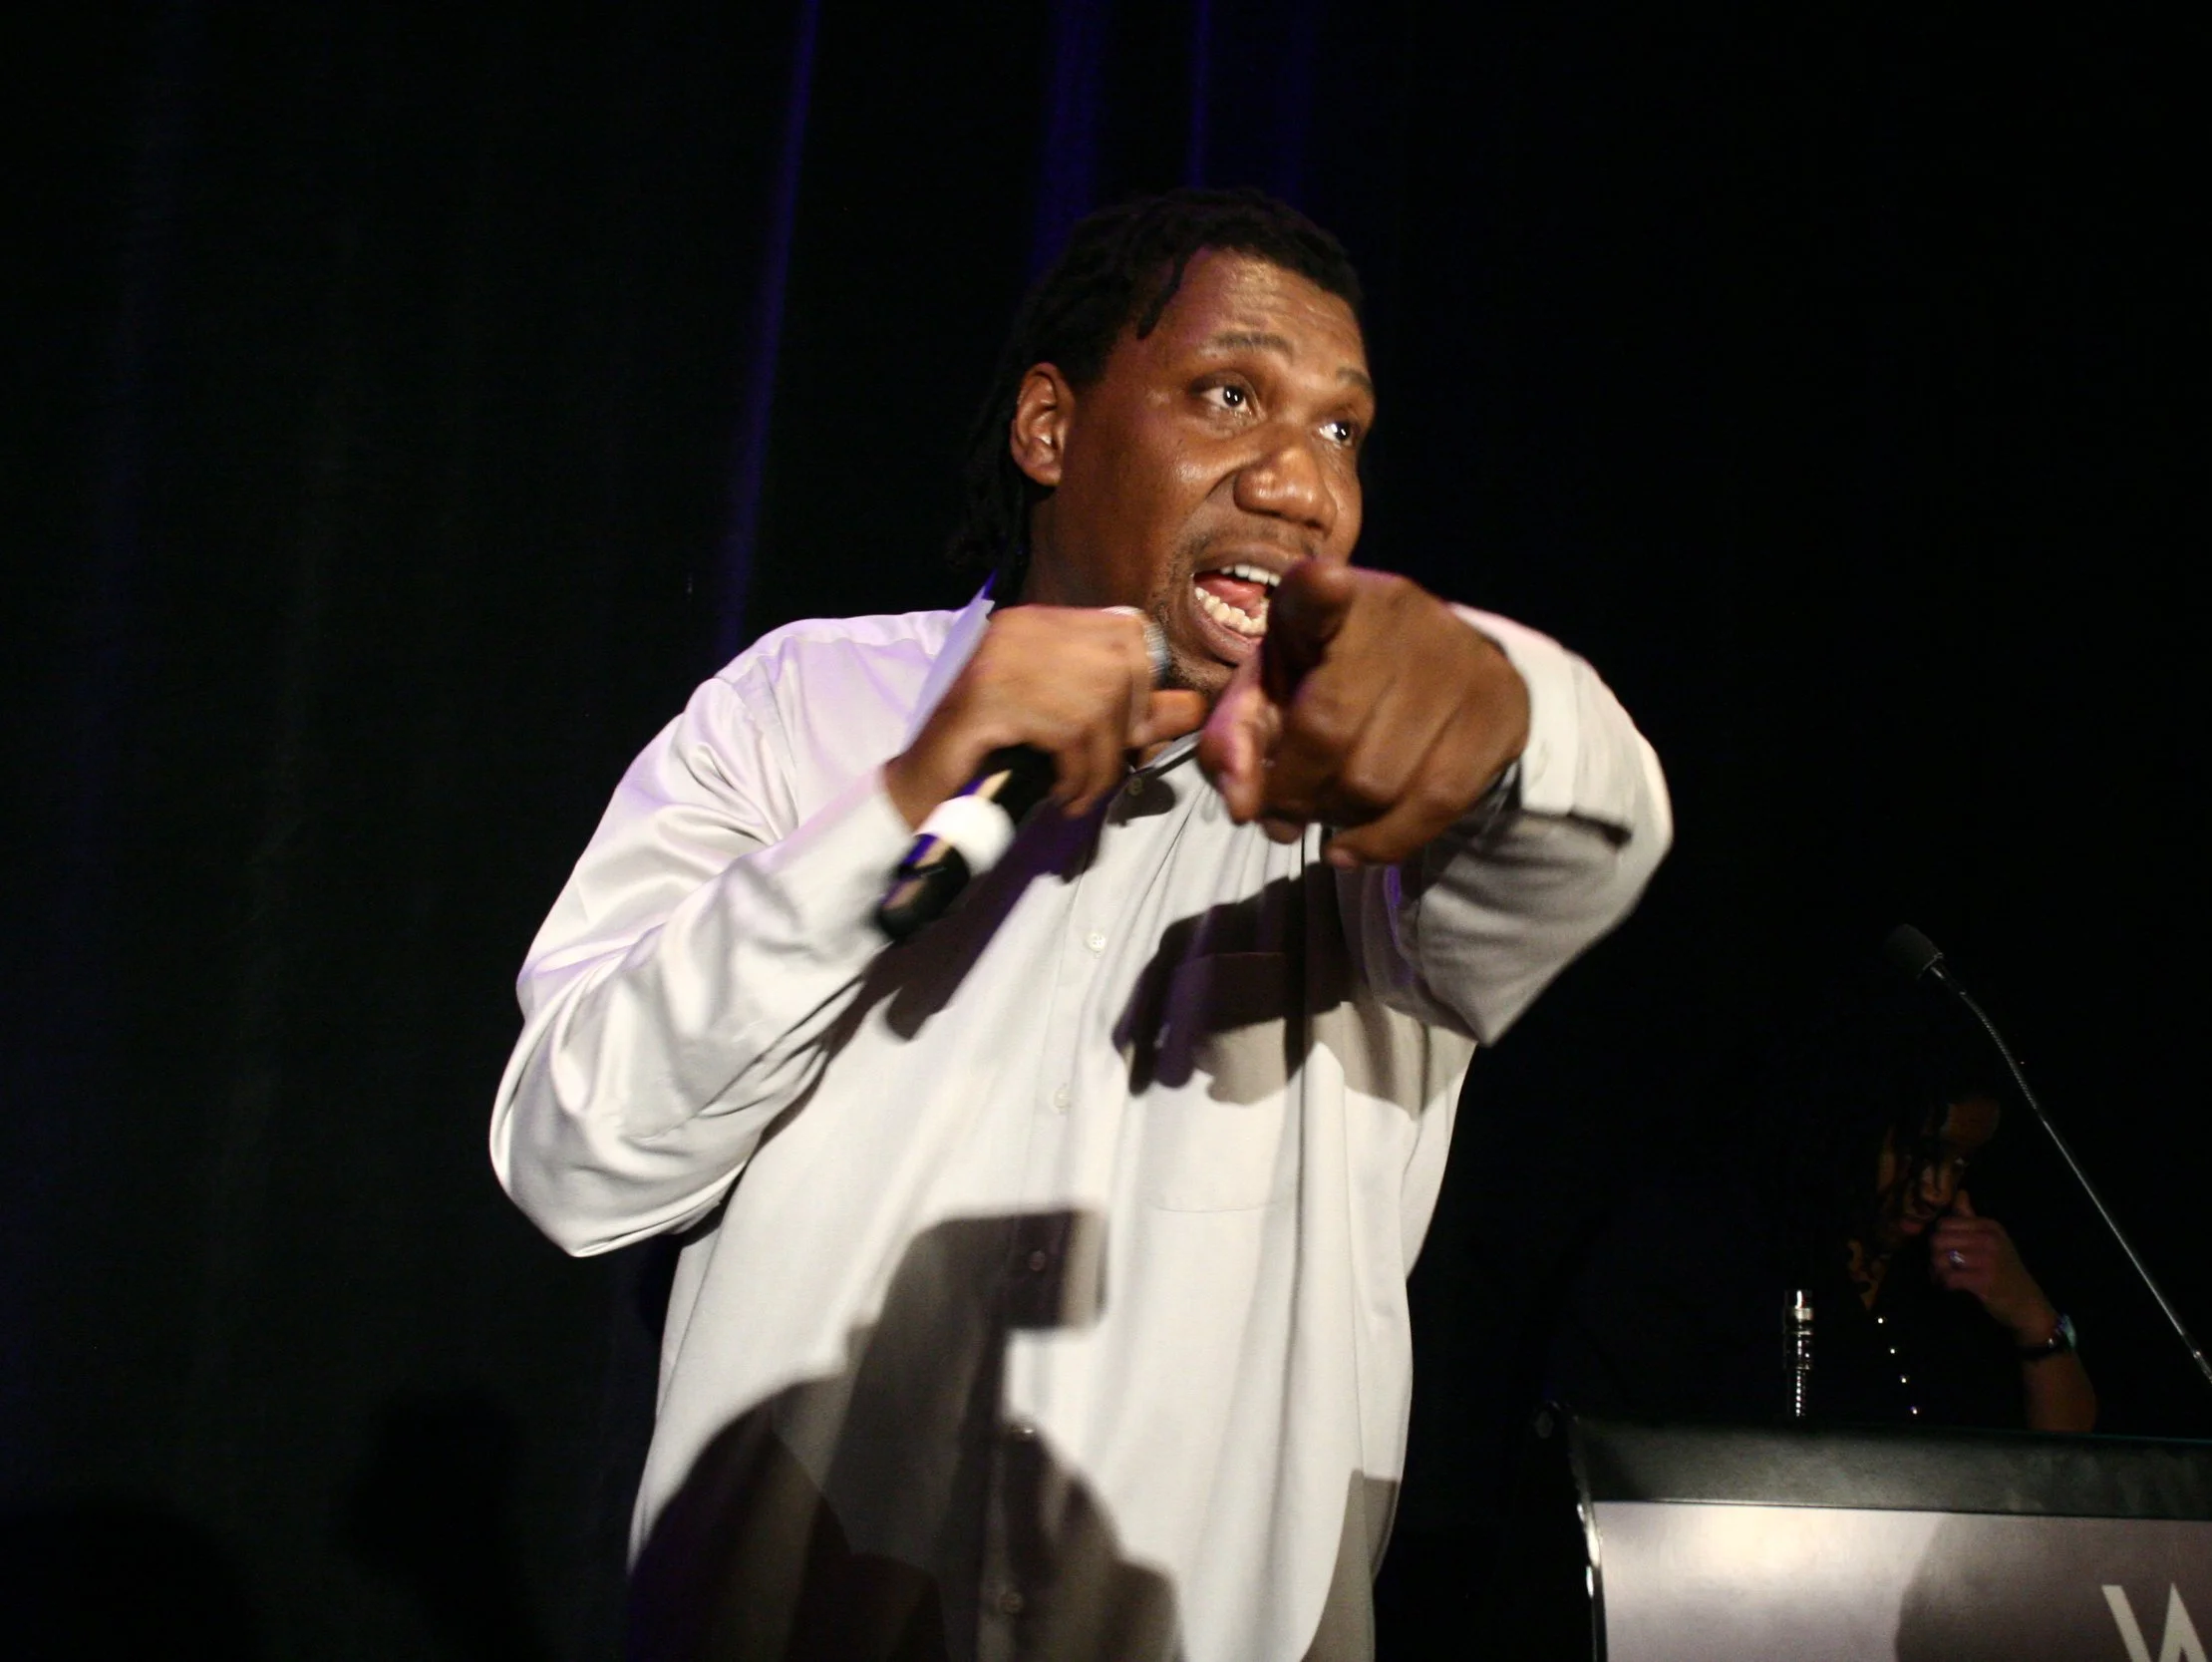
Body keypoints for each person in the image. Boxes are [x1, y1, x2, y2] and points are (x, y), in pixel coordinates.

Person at [489, 188, 1670, 1660]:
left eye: (1341, 429)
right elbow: (575, 1158)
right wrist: (902, 806)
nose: (1304, 484)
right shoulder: (800, 713)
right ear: (1050, 427)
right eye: (1230, 394)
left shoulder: (1365, 803)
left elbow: (1589, 830)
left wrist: (1506, 706)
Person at [1551, 991, 2095, 1434]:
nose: (1937, 1190)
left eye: (1960, 1162)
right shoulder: (1719, 1253)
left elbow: (2063, 1475)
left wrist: (2033, 1319)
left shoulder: (1948, 1279)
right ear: (1854, 1127)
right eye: (1921, 1152)